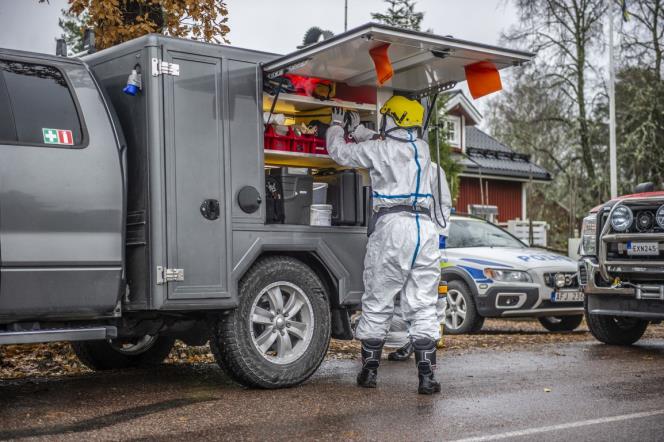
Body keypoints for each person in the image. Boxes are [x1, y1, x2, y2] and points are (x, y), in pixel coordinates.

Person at [326, 96, 443, 395]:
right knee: (423, 304)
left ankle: (369, 372)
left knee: (378, 300)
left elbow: (340, 153)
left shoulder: (379, 150)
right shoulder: (422, 148)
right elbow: (387, 142)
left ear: (390, 118)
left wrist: (338, 126)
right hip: (424, 230)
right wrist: (361, 129)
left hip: (392, 229)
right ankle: (427, 378)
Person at [387, 164, 452, 361]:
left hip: (428, 238)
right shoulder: (397, 162)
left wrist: (440, 235)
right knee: (403, 294)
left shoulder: (432, 169)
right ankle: (412, 341)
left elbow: (443, 203)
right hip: (402, 238)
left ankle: (423, 341)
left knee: (426, 294)